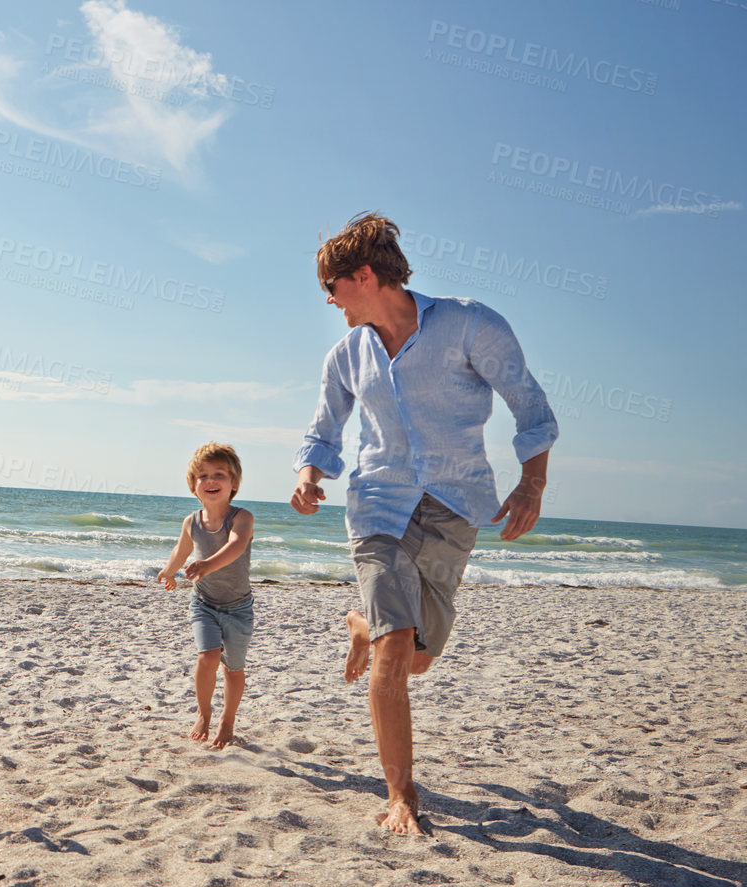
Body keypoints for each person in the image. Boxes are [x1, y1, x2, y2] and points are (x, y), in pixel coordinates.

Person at [290, 212, 558, 835]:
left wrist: (532, 483)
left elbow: (531, 407)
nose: (329, 302)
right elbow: (323, 428)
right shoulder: (346, 354)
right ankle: (401, 797)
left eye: (333, 288)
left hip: (454, 505)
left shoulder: (470, 324)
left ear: (363, 276)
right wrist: (309, 477)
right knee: (394, 653)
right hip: (378, 505)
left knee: (416, 659)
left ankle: (363, 624)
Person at [156, 442, 257, 751]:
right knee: (207, 657)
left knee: (233, 669)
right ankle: (204, 712)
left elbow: (236, 546)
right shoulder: (192, 521)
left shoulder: (242, 517)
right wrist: (169, 570)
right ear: (193, 486)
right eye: (203, 476)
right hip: (203, 603)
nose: (211, 481)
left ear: (234, 483)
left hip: (238, 607)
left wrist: (207, 565)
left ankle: (227, 721)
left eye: (219, 475)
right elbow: (182, 549)